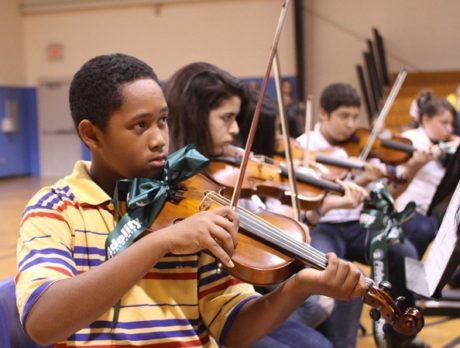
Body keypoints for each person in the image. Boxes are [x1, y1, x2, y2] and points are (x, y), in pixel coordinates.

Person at [15, 54, 366, 347]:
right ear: (92, 134)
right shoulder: (55, 209)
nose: (159, 140)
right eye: (140, 126)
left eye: (163, 121)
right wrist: (161, 243)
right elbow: (44, 323)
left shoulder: (191, 205)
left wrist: (296, 288)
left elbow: (234, 328)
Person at [164, 61, 334, 347]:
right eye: (227, 118)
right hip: (200, 317)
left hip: (232, 299)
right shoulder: (173, 185)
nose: (234, 131)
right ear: (194, 117)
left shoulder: (223, 170)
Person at [296, 83, 427, 348]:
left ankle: (401, 333)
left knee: (405, 253)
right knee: (341, 274)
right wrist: (360, 178)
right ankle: (340, 343)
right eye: (344, 116)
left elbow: (389, 191)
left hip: (358, 224)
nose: (351, 125)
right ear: (323, 114)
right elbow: (304, 200)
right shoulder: (304, 148)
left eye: (355, 117)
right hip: (323, 225)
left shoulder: (363, 145)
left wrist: (412, 168)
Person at [396, 96, 459, 258]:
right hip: (405, 208)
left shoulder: (444, 146)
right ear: (425, 119)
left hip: (429, 210)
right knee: (424, 229)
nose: (449, 129)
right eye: (443, 123)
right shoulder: (411, 139)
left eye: (451, 124)